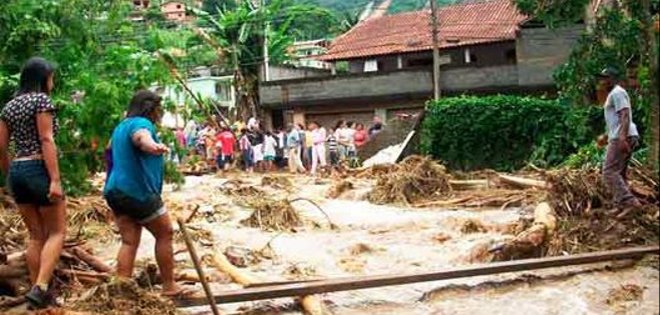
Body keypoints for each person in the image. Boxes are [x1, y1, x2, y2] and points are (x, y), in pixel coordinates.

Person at [104, 90, 191, 299]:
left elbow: (108, 150)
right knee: (165, 233)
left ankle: (121, 290)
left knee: (129, 241)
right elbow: (141, 137)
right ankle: (169, 286)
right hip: (138, 192)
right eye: (158, 110)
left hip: (115, 191)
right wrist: (153, 146)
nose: (160, 114)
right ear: (150, 109)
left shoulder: (120, 126)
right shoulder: (141, 124)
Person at [0, 57, 66, 309]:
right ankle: (40, 287)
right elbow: (46, 139)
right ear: (43, 78)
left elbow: (1, 147)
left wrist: (10, 175)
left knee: (36, 235)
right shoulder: (41, 101)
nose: (52, 82)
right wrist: (56, 180)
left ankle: (39, 294)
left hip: (17, 170)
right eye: (51, 77)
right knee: (57, 232)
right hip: (39, 167)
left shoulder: (9, 107)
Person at [597, 67, 642, 218]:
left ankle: (630, 203)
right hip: (621, 135)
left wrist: (622, 138)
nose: (602, 81)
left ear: (612, 79)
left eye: (605, 78)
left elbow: (625, 115)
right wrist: (606, 135)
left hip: (622, 137)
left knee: (609, 172)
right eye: (601, 78)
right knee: (619, 173)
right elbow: (616, 120)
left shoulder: (617, 92)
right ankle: (620, 205)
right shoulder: (614, 94)